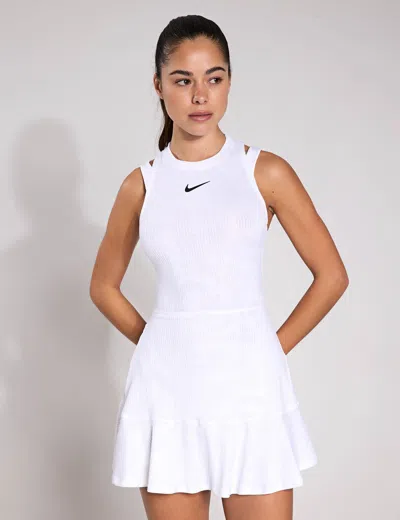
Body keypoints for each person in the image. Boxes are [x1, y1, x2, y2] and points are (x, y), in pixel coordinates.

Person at [90, 14, 349, 520]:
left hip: (250, 390)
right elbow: (103, 286)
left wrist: (268, 347)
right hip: (167, 394)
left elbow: (332, 276)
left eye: (214, 78)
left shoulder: (265, 171)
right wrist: (157, 340)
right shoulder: (141, 185)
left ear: (229, 81)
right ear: (159, 86)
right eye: (182, 80)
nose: (200, 95)